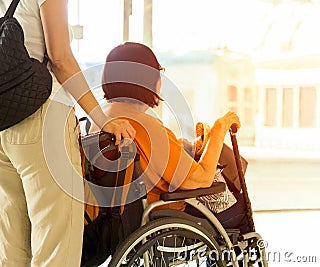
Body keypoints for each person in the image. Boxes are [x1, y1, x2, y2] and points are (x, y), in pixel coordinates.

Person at [0, 1, 136, 266]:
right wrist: (101, 118)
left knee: (11, 246)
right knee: (56, 245)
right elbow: (60, 59)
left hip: (1, 123)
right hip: (44, 120)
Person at [90, 41, 249, 233]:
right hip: (162, 217)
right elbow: (200, 180)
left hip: (115, 220)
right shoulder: (146, 126)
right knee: (241, 207)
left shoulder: (103, 118)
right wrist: (219, 128)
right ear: (148, 79)